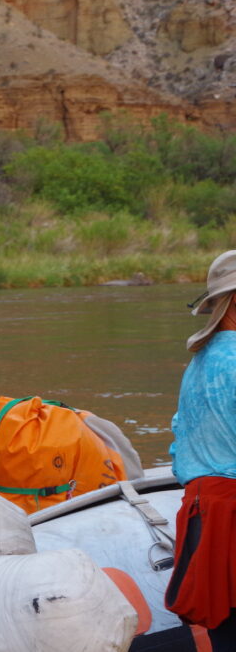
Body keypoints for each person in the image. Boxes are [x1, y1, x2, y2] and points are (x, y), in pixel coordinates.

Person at [165, 249, 236, 646]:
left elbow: (180, 445)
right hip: (231, 513)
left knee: (225, 634)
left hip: (201, 517)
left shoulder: (199, 363)